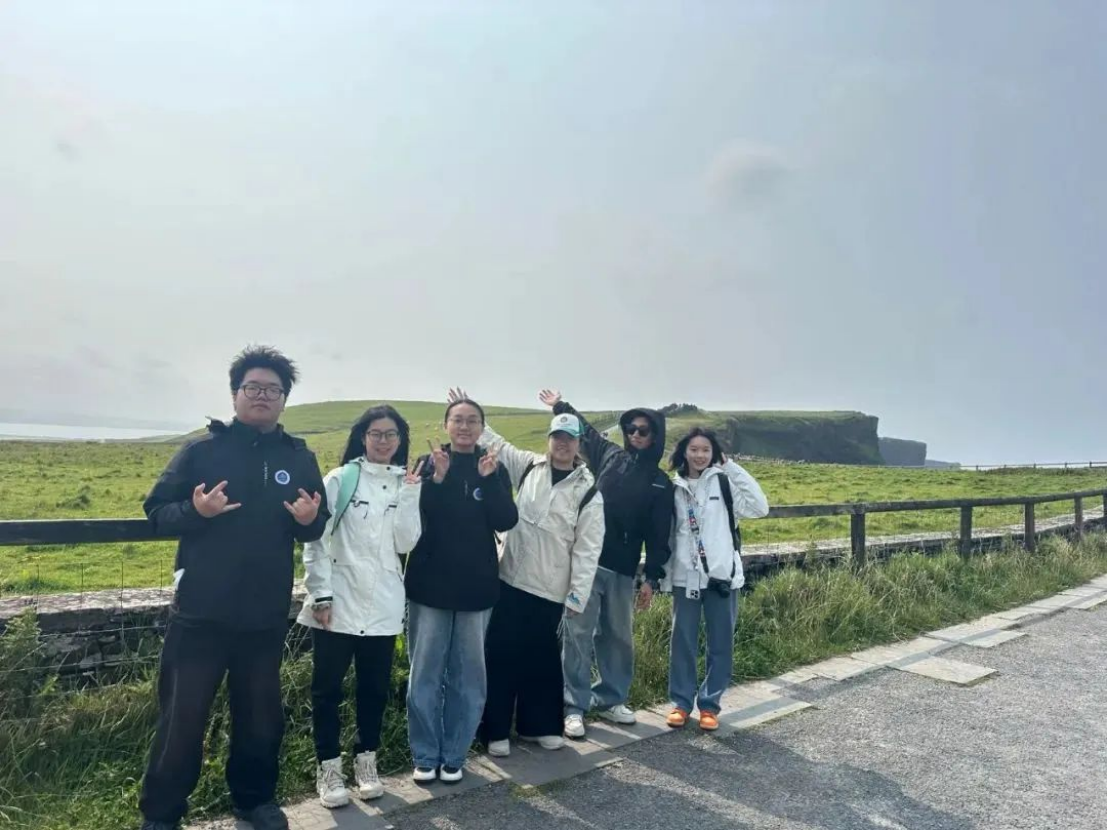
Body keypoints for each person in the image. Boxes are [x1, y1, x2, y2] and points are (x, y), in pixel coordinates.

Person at [138, 346, 328, 830]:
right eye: (253, 387)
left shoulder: (298, 457)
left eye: (272, 390)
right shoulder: (201, 452)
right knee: (182, 720)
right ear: (235, 394)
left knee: (261, 718)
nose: (262, 396)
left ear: (284, 399)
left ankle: (254, 800)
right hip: (199, 613)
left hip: (264, 616)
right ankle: (161, 814)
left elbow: (315, 523)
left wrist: (310, 519)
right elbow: (156, 513)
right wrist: (195, 512)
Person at [296, 405, 422, 808]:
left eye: (391, 434)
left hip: (383, 603)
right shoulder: (341, 479)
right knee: (327, 690)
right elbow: (316, 538)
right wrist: (320, 593)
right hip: (338, 603)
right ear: (362, 438)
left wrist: (411, 493)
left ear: (400, 440)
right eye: (376, 434)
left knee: (373, 689)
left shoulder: (406, 483)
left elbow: (406, 542)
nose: (383, 441)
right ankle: (329, 768)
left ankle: (367, 761)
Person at [470, 391, 605, 758]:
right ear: (549, 439)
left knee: (541, 658)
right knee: (501, 654)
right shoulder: (529, 467)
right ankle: (496, 731)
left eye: (570, 439)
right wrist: (475, 417)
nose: (563, 444)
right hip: (511, 577)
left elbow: (587, 549)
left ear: (578, 444)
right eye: (557, 437)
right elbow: (498, 444)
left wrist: (577, 595)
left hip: (551, 587)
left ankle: (540, 726)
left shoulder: (588, 491)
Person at [538, 390, 672, 739]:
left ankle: (611, 699)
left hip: (624, 570)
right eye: (631, 429)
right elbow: (586, 432)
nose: (635, 435)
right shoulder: (609, 455)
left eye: (643, 430)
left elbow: (659, 536)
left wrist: (651, 578)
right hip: (587, 563)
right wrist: (560, 406)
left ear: (655, 436)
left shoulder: (661, 483)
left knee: (618, 637)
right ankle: (574, 707)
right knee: (577, 635)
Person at [403, 395, 518, 785]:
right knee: (425, 674)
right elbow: (416, 518)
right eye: (458, 419)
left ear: (482, 427)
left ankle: (454, 754)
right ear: (446, 425)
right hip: (429, 586)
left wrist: (489, 480)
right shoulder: (429, 462)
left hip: (476, 588)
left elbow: (506, 520)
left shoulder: (493, 466)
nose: (465, 426)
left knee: (468, 678)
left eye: (472, 420)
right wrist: (437, 480)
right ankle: (425, 754)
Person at [662, 427, 768, 732]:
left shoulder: (723, 482)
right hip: (685, 577)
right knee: (682, 641)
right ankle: (681, 703)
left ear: (715, 454)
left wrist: (730, 466)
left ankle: (709, 706)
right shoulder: (673, 488)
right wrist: (665, 577)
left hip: (721, 576)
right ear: (684, 452)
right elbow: (668, 535)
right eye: (694, 449)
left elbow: (759, 507)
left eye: (706, 450)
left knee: (720, 643)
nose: (700, 455)